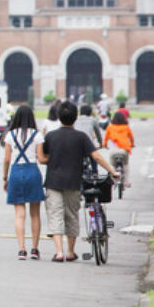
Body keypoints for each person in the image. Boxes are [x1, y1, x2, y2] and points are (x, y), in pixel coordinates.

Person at [37, 101, 120, 262]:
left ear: (59, 117)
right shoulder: (81, 137)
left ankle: (59, 252)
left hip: (53, 182)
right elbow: (96, 156)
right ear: (75, 119)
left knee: (55, 215)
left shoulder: (51, 136)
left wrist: (54, 160)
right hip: (74, 182)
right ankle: (70, 251)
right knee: (72, 215)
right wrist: (112, 171)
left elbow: (44, 158)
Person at [2, 105, 45, 260]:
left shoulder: (10, 135)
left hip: (16, 172)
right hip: (33, 172)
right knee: (35, 214)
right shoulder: (37, 135)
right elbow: (41, 158)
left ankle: (21, 250)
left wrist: (5, 178)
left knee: (19, 214)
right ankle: (34, 249)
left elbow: (7, 159)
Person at [103, 112, 135, 188]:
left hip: (113, 151)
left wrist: (105, 145)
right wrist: (132, 145)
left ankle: (113, 180)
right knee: (126, 165)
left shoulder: (110, 127)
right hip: (124, 150)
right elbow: (131, 138)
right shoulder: (126, 127)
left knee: (112, 165)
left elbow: (105, 139)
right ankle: (126, 182)